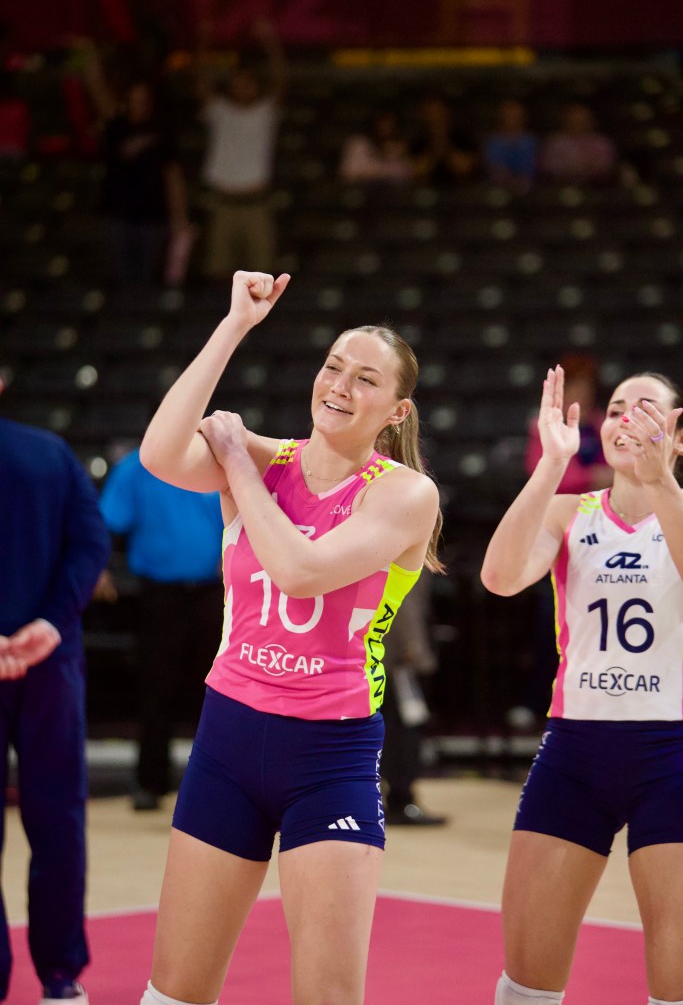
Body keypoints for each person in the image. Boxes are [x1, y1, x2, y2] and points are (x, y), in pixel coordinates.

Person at [135, 269, 443, 1005]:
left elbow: (301, 573)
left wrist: (238, 466)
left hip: (329, 755)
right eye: (333, 366)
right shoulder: (268, 459)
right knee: (172, 992)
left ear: (396, 409)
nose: (340, 385)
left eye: (365, 379)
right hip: (228, 740)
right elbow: (159, 454)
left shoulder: (405, 493)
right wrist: (234, 326)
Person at [481, 365, 683, 1005]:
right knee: (525, 981)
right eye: (617, 409)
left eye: (647, 411)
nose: (628, 421)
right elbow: (499, 578)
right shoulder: (569, 513)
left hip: (672, 754)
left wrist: (662, 483)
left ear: (678, 435)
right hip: (575, 751)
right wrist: (550, 467)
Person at [0, 378, 111, 1005]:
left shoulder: (49, 453)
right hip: (52, 659)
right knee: (58, 819)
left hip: (46, 657)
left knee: (59, 820)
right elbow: (91, 544)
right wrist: (50, 623)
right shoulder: (50, 453)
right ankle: (61, 977)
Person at [98, 447, 224, 811]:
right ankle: (150, 783)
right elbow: (107, 522)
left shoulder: (219, 460)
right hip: (159, 593)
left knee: (218, 690)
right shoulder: (137, 467)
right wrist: (99, 567)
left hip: (215, 592)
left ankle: (217, 786)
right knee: (156, 687)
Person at [508, 353, 613, 730]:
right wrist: (592, 476)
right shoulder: (546, 429)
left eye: (586, 387)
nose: (580, 394)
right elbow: (545, 477)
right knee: (549, 623)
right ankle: (536, 699)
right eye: (574, 387)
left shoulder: (603, 425)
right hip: (561, 536)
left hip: (605, 535)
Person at [74, 36, 193, 287]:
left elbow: (173, 176)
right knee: (120, 278)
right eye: (134, 99)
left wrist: (179, 218)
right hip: (117, 215)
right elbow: (96, 88)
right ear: (126, 100)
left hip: (153, 218)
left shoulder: (162, 132)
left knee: (147, 279)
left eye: (144, 99)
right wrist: (89, 56)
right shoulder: (116, 126)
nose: (139, 104)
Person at [196, 18, 286, 282]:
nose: (243, 86)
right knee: (217, 273)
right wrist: (204, 40)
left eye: (248, 82)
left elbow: (281, 80)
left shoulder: (265, 112)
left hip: (256, 205)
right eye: (238, 81)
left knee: (262, 277)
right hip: (222, 204)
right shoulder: (219, 110)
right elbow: (201, 80)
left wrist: (270, 42)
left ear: (256, 85)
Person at [381, 571, 447, 826]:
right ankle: (402, 800)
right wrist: (414, 650)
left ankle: (398, 799)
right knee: (402, 733)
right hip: (396, 661)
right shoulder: (402, 550)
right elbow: (405, 604)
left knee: (395, 731)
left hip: (383, 658)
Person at [410, 91, 478, 185]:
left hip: (460, 190)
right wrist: (434, 146)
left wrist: (445, 145)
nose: (435, 118)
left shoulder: (463, 138)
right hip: (427, 190)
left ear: (447, 112)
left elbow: (464, 169)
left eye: (438, 113)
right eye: (430, 114)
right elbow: (419, 171)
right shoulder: (418, 142)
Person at [540, 101, 617, 185]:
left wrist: (581, 170)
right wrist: (574, 169)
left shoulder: (602, 143)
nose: (578, 123)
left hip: (595, 187)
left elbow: (605, 168)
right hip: (560, 186)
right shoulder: (555, 143)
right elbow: (548, 167)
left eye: (582, 120)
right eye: (574, 120)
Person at [339, 107, 412, 185]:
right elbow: (349, 173)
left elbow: (406, 174)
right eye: (383, 122)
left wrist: (395, 154)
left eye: (391, 124)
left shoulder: (397, 148)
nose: (386, 127)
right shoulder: (358, 143)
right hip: (359, 190)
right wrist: (383, 171)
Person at [483, 97, 538, 193]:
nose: (511, 119)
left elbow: (532, 168)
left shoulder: (531, 142)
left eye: (515, 115)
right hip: (498, 189)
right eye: (508, 115)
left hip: (529, 189)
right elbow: (495, 168)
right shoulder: (493, 142)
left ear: (523, 117)